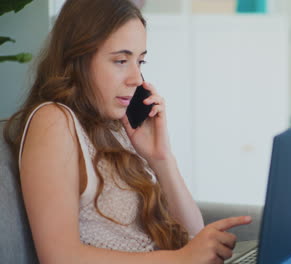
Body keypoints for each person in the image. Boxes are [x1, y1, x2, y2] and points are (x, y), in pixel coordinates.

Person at [3, 0, 251, 263]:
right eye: (121, 60)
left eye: (140, 61)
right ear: (78, 59)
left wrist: (161, 158)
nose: (136, 79)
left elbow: (192, 234)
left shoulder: (116, 124)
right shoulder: (53, 120)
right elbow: (60, 256)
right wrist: (180, 259)